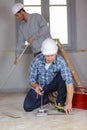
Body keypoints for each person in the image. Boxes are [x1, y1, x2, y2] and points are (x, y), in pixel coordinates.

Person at [23, 38, 74, 114]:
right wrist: (36, 86)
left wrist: (69, 103)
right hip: (41, 87)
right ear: (43, 54)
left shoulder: (60, 61)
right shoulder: (36, 61)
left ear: (56, 53)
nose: (50, 58)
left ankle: (60, 101)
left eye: (52, 55)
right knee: (27, 107)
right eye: (47, 56)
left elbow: (69, 82)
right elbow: (31, 80)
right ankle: (47, 98)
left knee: (62, 76)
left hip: (53, 84)